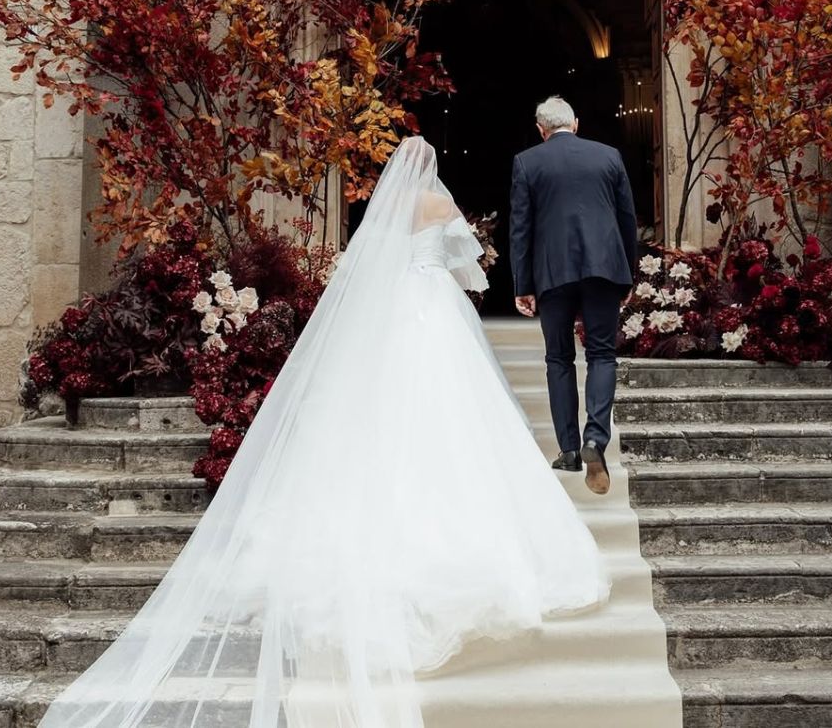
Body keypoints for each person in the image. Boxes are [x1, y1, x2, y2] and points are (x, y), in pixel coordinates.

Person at [38, 136, 609, 728]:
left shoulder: (386, 216)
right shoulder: (442, 209)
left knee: (383, 408)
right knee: (454, 414)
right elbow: (470, 273)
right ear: (431, 168)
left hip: (393, 316)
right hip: (436, 313)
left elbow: (367, 270)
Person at [509, 97, 637, 496]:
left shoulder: (527, 162)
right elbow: (626, 218)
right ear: (576, 124)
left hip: (553, 272)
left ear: (540, 129)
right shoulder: (609, 157)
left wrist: (522, 284)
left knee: (558, 357)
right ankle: (595, 439)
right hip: (603, 267)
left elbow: (521, 228)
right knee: (601, 354)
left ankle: (568, 449)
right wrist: (627, 273)